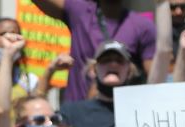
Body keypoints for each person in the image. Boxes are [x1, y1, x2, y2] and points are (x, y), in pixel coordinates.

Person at [23, 1, 157, 103]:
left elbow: (155, 83)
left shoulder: (143, 26)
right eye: (105, 61)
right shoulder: (79, 12)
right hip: (77, 119)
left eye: (117, 61)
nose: (111, 64)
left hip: (121, 118)